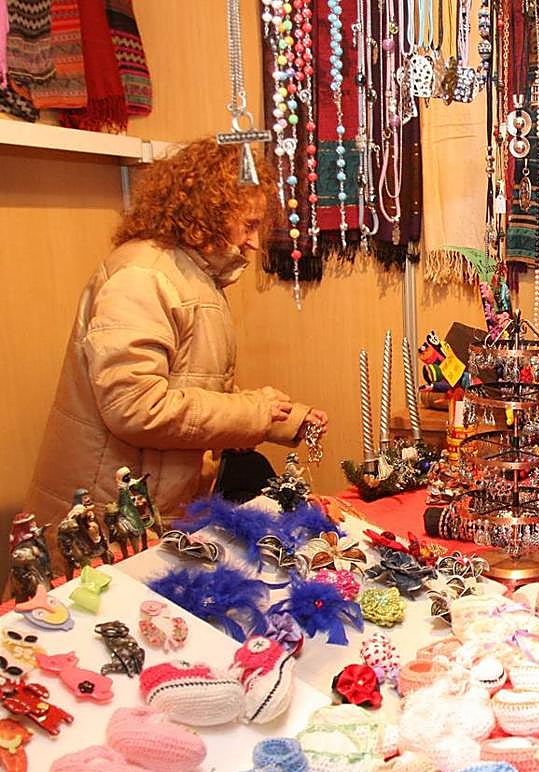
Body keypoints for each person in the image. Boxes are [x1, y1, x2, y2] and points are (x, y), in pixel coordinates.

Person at [25, 139, 328, 535]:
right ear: (210, 212)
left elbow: (191, 384)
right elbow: (136, 406)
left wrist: (283, 419)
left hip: (146, 501)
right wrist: (255, 412)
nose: (255, 242)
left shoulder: (190, 276)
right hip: (107, 512)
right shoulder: (145, 276)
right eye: (249, 224)